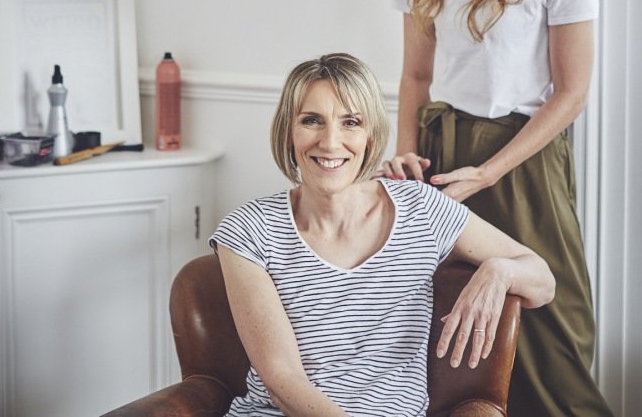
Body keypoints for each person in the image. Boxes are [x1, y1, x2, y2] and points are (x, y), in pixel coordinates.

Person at [383, 0, 613, 416]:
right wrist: (405, 150)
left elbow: (572, 93)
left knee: (548, 314)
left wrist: (488, 173)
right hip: (439, 152)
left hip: (522, 153)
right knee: (448, 312)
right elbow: (414, 77)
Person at [211, 52, 554, 417]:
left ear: (370, 134)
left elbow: (543, 281)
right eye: (312, 120)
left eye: (350, 122)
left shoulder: (421, 209)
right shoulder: (248, 230)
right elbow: (283, 380)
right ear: (288, 130)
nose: (330, 142)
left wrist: (499, 271)